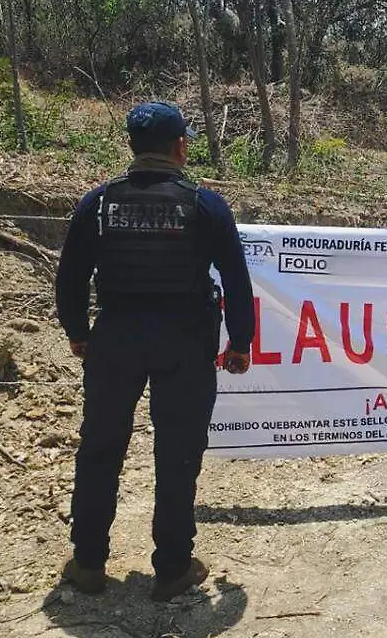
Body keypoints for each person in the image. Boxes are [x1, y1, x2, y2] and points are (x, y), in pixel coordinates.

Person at [55, 102, 256, 602]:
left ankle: (87, 564)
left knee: (100, 449)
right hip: (185, 344)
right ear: (180, 147)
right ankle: (172, 569)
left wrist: (78, 330)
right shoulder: (206, 205)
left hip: (115, 339)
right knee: (177, 456)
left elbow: (71, 276)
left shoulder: (97, 205)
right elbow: (235, 278)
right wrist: (241, 342)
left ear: (132, 147)